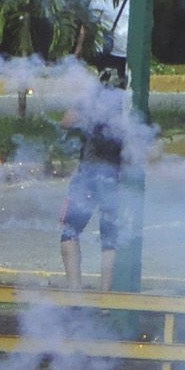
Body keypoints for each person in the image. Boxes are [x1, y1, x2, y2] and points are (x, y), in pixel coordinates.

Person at [59, 103, 125, 291]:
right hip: (115, 177)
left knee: (69, 232)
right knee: (109, 239)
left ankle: (75, 292)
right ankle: (105, 297)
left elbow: (66, 121)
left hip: (86, 175)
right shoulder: (131, 100)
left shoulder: (92, 96)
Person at [75, 0, 132, 89]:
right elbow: (89, 23)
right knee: (108, 89)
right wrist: (80, 47)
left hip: (129, 54)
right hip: (108, 52)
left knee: (124, 89)